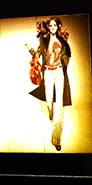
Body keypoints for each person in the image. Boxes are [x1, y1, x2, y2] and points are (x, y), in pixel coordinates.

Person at [27, 17, 70, 151]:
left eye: (54, 25)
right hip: (47, 73)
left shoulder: (62, 40)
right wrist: (29, 49)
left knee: (59, 109)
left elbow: (67, 55)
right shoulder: (44, 40)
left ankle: (56, 139)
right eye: (50, 25)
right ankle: (51, 113)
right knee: (48, 102)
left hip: (58, 73)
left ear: (58, 26)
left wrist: (62, 68)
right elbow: (37, 55)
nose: (52, 27)